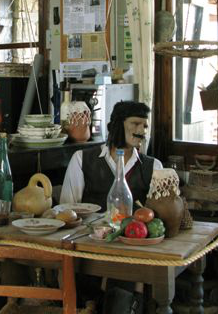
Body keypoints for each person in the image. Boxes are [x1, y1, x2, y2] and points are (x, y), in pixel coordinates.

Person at [60, 100, 163, 314]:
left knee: (122, 289)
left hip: (131, 252)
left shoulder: (153, 167)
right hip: (89, 248)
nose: (141, 130)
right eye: (135, 123)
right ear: (117, 124)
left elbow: (157, 219)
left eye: (145, 125)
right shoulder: (82, 160)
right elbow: (67, 211)